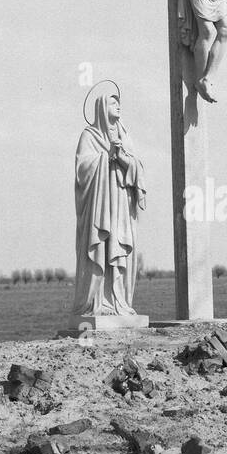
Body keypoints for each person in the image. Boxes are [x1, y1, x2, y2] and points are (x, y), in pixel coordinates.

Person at [72, 90, 145, 317]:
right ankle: (98, 303)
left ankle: (118, 301)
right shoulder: (89, 135)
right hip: (100, 206)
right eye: (113, 103)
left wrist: (121, 156)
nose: (118, 106)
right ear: (103, 107)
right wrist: (106, 157)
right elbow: (82, 169)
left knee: (119, 249)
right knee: (102, 248)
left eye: (119, 102)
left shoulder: (125, 134)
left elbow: (137, 168)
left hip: (121, 203)